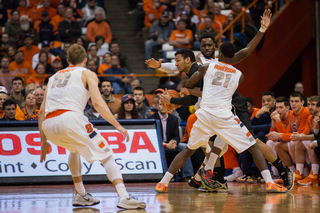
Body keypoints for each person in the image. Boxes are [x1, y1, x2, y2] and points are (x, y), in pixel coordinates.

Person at [146, 9, 294, 192]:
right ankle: (211, 173)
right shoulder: (225, 70)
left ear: (216, 49)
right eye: (204, 45)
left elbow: (246, 51)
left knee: (244, 142)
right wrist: (162, 66)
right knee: (226, 144)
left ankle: (190, 176)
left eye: (210, 45)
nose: (207, 47)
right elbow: (179, 65)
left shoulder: (208, 65)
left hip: (227, 106)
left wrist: (185, 90)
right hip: (219, 111)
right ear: (199, 48)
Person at [39, 44, 146, 209]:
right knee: (106, 154)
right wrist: (117, 125)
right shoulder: (87, 73)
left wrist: (44, 142)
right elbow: (97, 102)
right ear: (85, 60)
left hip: (49, 124)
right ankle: (124, 196)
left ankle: (80, 194)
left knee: (74, 150)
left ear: (67, 60)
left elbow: (41, 111)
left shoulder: (53, 77)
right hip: (70, 118)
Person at [267, 92, 311, 182]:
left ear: (302, 102)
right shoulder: (292, 114)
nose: (293, 103)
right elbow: (281, 135)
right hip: (299, 140)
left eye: (296, 101)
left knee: (293, 143)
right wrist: (275, 122)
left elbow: (301, 134)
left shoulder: (305, 112)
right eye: (292, 101)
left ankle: (304, 172)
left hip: (308, 139)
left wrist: (279, 133)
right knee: (276, 144)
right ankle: (290, 173)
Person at [149, 99, 194, 181]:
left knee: (184, 147)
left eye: (165, 104)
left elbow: (176, 136)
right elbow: (151, 138)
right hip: (156, 146)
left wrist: (174, 142)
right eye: (161, 104)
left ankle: (187, 175)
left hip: (170, 144)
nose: (163, 107)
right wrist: (165, 144)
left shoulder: (174, 119)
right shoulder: (151, 119)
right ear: (157, 106)